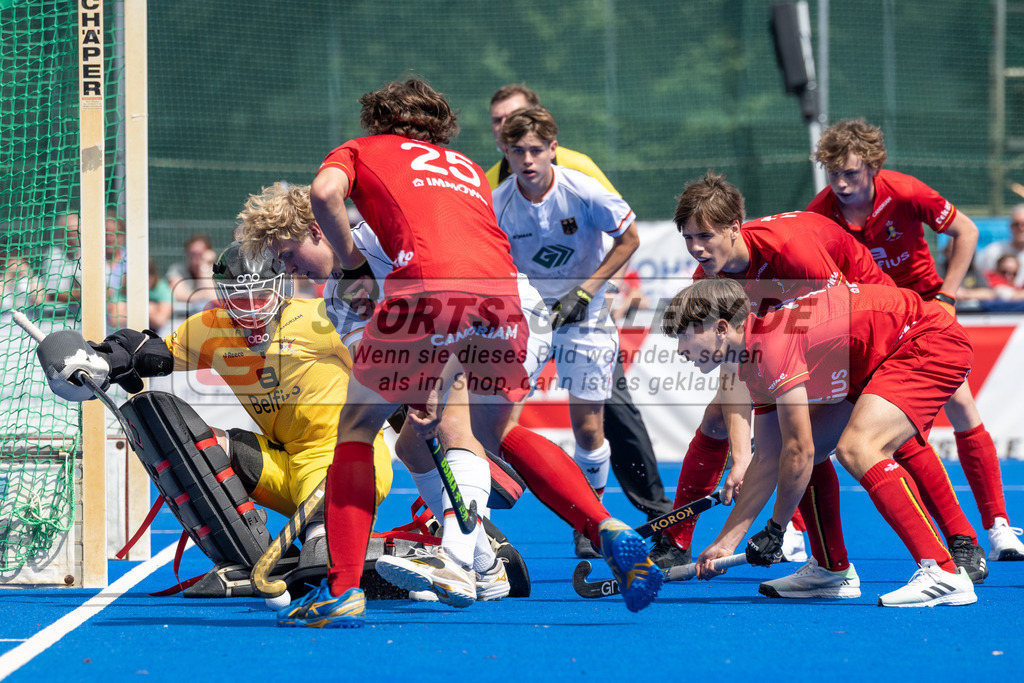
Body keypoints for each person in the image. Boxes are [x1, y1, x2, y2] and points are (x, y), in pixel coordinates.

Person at [278, 79, 660, 628]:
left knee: (364, 430)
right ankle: (587, 530)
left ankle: (364, 582)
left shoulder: (365, 160)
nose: (291, 268)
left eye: (290, 254)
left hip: (434, 296)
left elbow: (325, 193)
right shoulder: (462, 168)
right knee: (470, 433)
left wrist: (355, 267)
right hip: (511, 302)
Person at [673, 171, 988, 597]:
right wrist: (727, 536)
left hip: (907, 336)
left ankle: (947, 568)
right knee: (794, 445)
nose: (696, 248)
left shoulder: (791, 257)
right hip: (843, 342)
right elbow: (771, 452)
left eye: (704, 236)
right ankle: (830, 568)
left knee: (860, 445)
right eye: (687, 238)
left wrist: (776, 527)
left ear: (733, 228)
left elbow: (834, 318)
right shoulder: (732, 317)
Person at [36, 242, 394, 599]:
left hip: (345, 462)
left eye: (261, 294)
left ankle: (378, 552)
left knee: (320, 560)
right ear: (223, 296)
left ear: (281, 288)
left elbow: (391, 369)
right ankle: (247, 558)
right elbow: (147, 354)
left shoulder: (322, 319)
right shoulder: (212, 328)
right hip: (283, 465)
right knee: (181, 436)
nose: (252, 309)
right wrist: (97, 362)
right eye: (239, 297)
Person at [235, 181, 532, 606]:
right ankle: (486, 567)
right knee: (412, 447)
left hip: (495, 314)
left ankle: (455, 560)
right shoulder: (335, 298)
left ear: (317, 231)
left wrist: (429, 382)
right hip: (444, 343)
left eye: (288, 255)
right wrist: (411, 387)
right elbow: (374, 362)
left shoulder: (381, 240)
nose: (291, 269)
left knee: (451, 423)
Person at [808, 118, 1024, 562]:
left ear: (872, 166)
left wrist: (947, 295)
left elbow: (966, 230)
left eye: (850, 173)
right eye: (833, 174)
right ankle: (798, 533)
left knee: (961, 406)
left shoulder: (904, 191)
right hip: (869, 325)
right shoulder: (820, 212)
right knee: (831, 430)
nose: (842, 184)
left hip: (923, 312)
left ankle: (997, 527)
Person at [488, 84, 674, 541]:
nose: (527, 160)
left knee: (591, 426)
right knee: (491, 418)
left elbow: (628, 238)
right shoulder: (498, 202)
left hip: (585, 315)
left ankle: (592, 520)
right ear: (504, 152)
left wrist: (588, 292)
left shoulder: (581, 186)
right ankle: (476, 526)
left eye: (536, 150)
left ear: (554, 149)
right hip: (529, 317)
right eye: (517, 151)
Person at [977, 204, 1024, 287]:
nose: (1021, 228)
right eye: (1016, 224)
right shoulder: (993, 251)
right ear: (1010, 226)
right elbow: (981, 280)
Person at [166, 234, 217, 307]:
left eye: (199, 253)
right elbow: (178, 295)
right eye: (192, 253)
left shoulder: (217, 271)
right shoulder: (177, 270)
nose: (194, 257)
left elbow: (213, 298)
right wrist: (204, 295)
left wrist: (203, 266)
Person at [148, 257, 174, 333]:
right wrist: (151, 309)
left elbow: (160, 320)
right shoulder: (124, 288)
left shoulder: (161, 287)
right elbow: (115, 320)